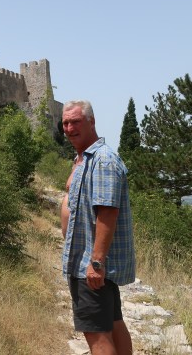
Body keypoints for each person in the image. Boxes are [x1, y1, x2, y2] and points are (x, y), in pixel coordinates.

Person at [60, 100, 136, 355]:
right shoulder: (84, 158)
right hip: (85, 261)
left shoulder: (102, 160)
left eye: (75, 122)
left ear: (91, 122)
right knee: (112, 323)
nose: (69, 128)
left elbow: (108, 212)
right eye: (65, 123)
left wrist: (96, 263)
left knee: (96, 333)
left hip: (90, 265)